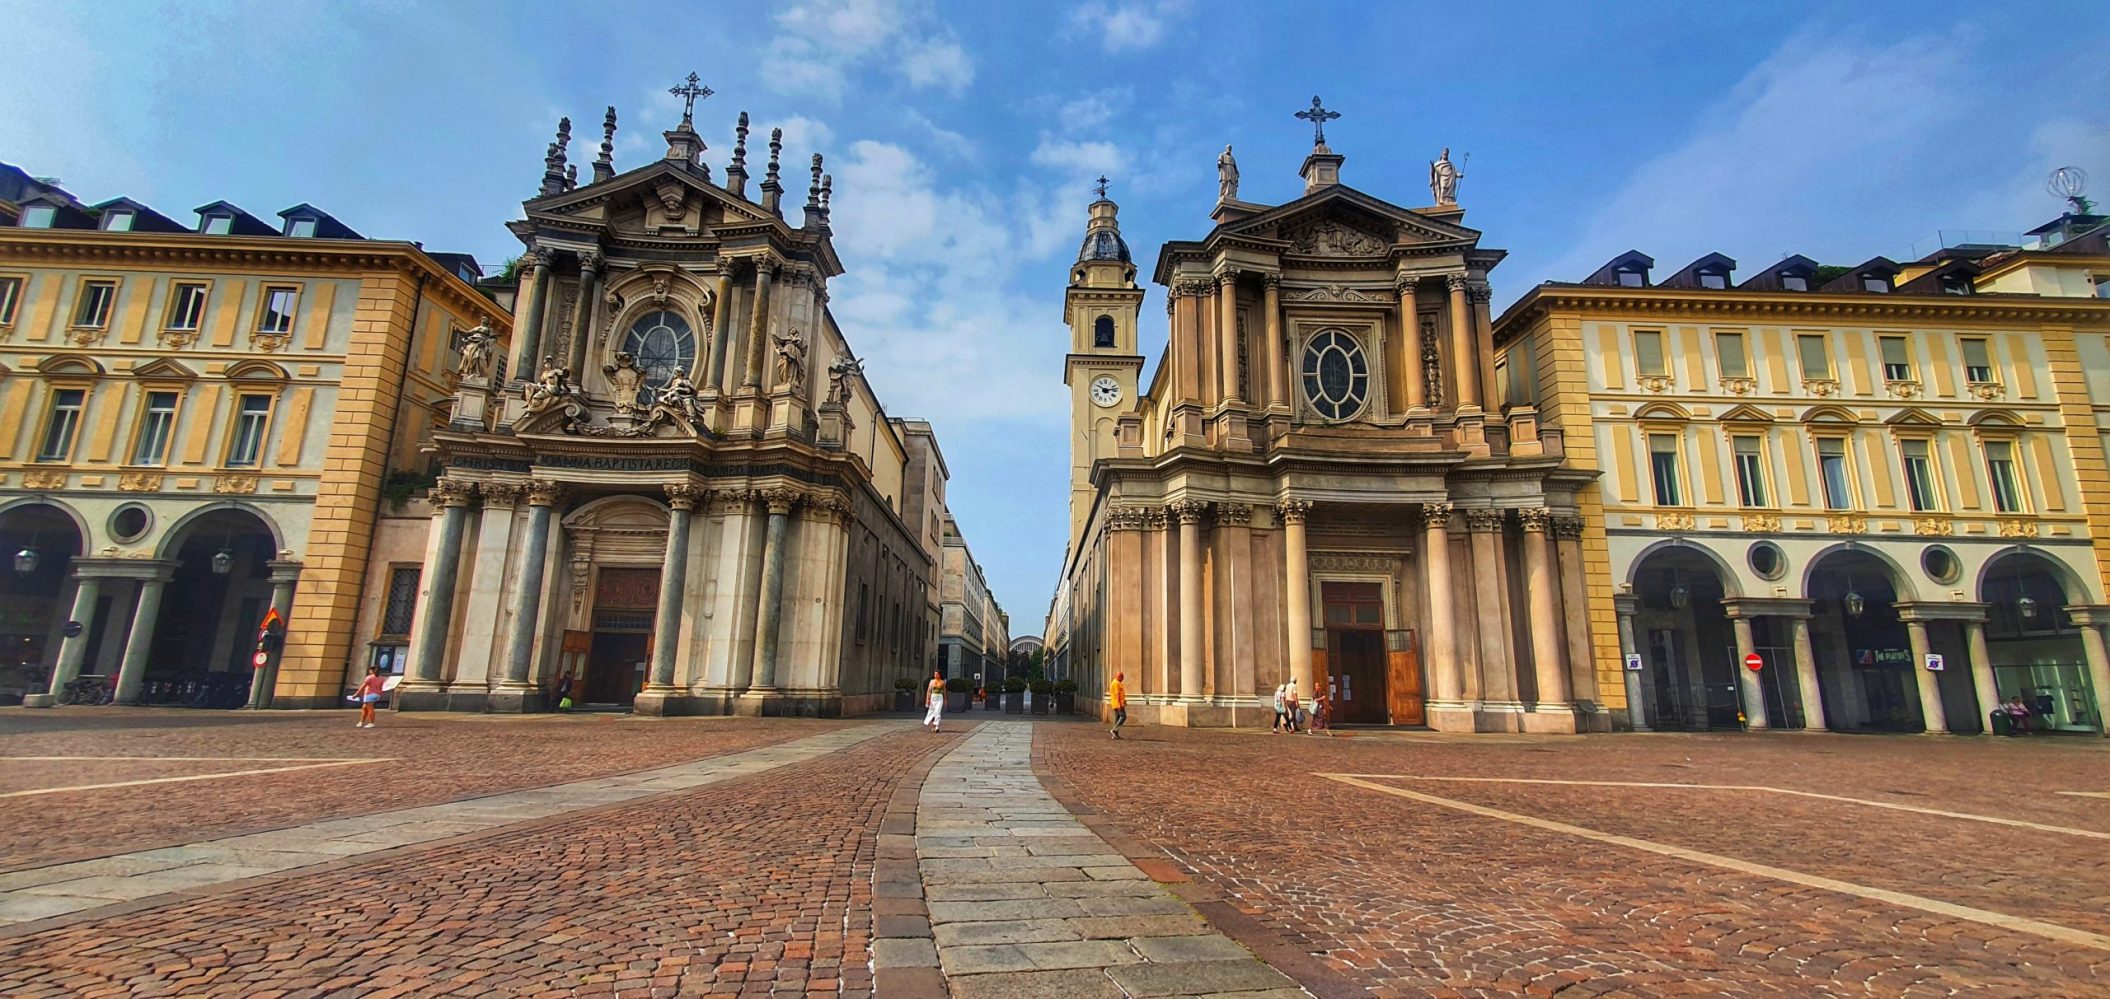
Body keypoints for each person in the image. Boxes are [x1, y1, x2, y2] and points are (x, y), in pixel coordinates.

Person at [1108, 671, 1128, 740]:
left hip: (1116, 703)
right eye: (1122, 677)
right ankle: (1114, 730)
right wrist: (1120, 705)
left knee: (1117, 718)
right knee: (1123, 716)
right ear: (1119, 677)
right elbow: (1117, 695)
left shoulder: (1116, 683)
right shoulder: (1116, 683)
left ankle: (1115, 735)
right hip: (1118, 704)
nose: (1123, 678)